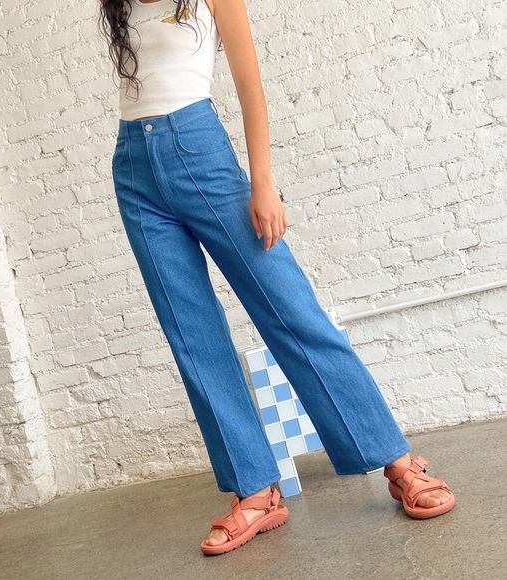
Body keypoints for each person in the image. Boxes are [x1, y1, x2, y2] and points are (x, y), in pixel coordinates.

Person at [98, 0, 455, 556]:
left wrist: (262, 184)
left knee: (290, 309)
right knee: (192, 336)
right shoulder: (118, 5)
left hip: (199, 147)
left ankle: (397, 461)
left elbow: (250, 87)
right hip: (133, 167)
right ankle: (255, 490)